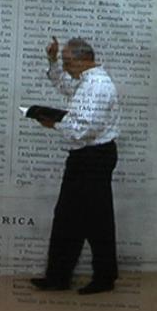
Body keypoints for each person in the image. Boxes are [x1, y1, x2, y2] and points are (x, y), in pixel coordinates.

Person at [30, 37, 121, 295]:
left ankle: (105, 278)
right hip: (85, 157)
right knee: (67, 217)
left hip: (94, 157)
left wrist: (54, 124)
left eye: (67, 61)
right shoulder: (86, 80)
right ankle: (58, 276)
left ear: (83, 60)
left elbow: (84, 129)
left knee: (97, 220)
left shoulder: (98, 86)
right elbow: (65, 85)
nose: (66, 67)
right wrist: (52, 61)